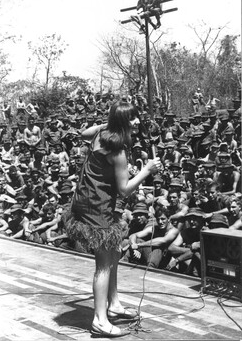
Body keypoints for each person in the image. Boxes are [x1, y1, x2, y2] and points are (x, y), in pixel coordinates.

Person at [65, 100, 161, 337]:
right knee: (104, 263)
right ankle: (99, 319)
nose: (138, 122)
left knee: (114, 252)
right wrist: (147, 170)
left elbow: (81, 132)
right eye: (132, 119)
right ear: (122, 123)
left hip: (89, 200)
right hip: (97, 207)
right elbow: (125, 189)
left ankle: (114, 303)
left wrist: (109, 123)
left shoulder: (99, 133)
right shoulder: (117, 151)